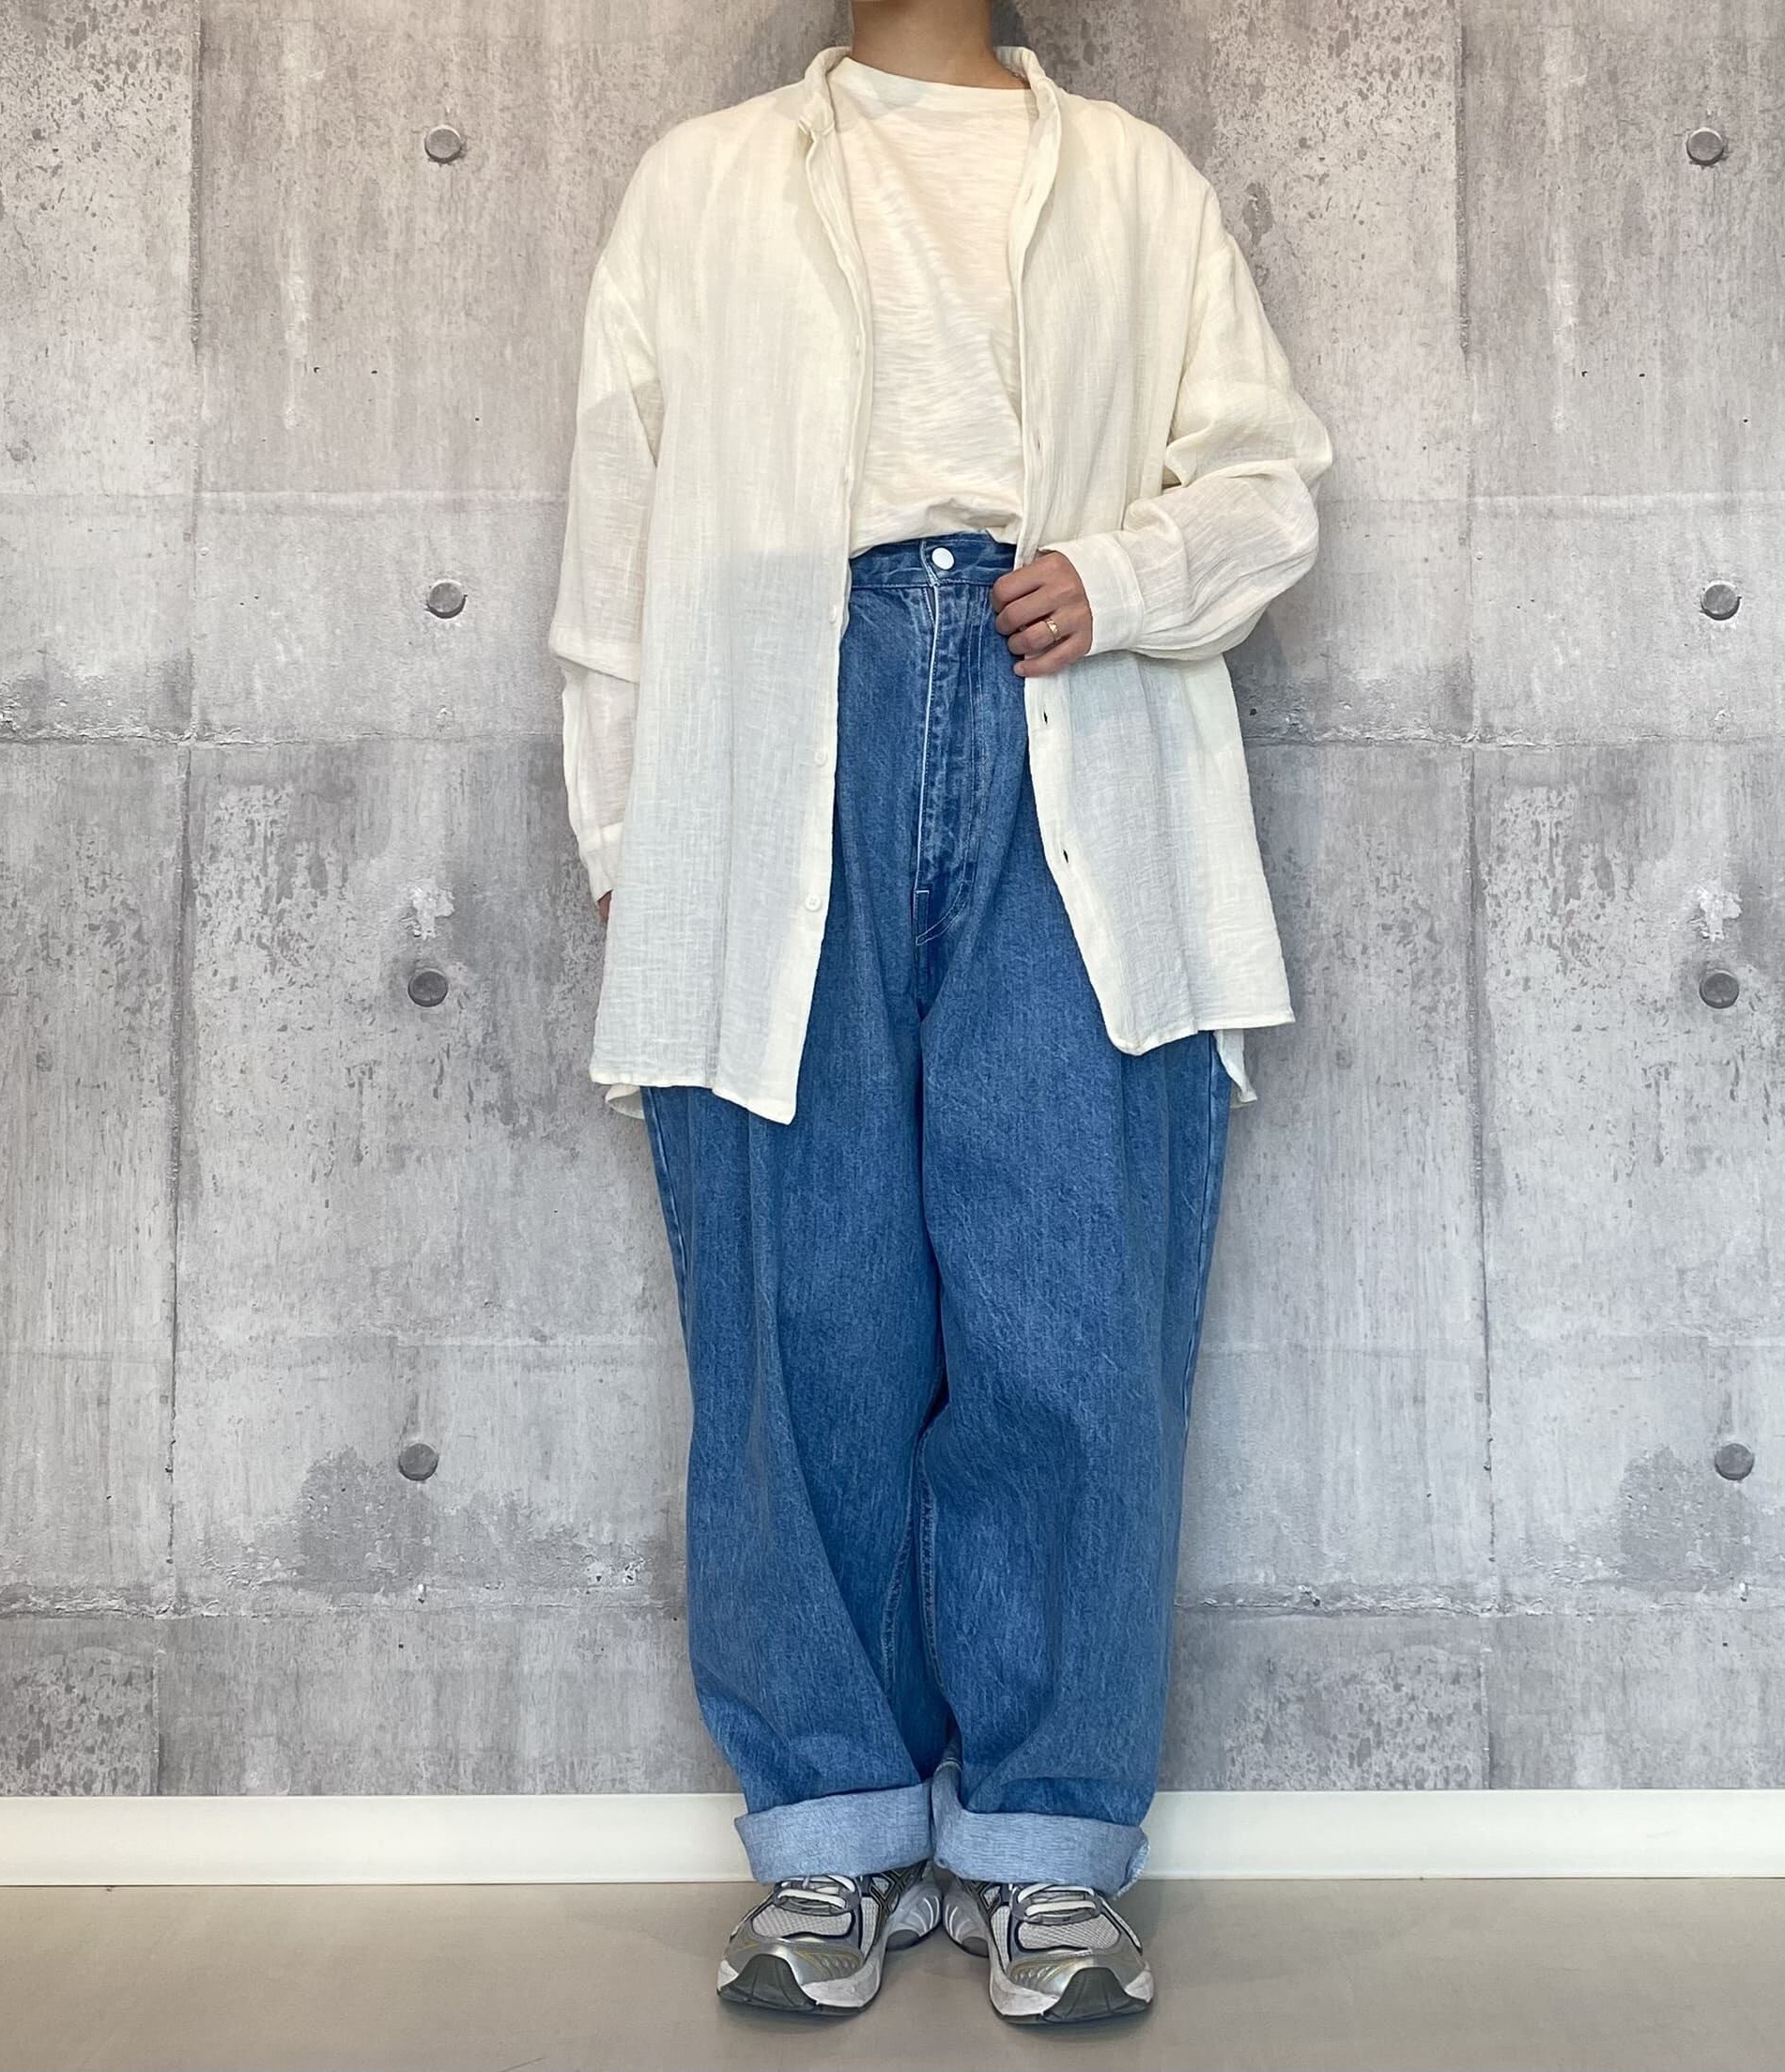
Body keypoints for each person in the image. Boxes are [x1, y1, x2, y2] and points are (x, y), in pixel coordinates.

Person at [549, 0, 1331, 2029]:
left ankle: (1048, 1855)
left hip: (1067, 711)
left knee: (1068, 1310)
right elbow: (617, 534)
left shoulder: (1136, 179)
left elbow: (1266, 477)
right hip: (768, 750)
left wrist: (1125, 574)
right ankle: (832, 1838)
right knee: (803, 1317)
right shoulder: (704, 183)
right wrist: (631, 833)